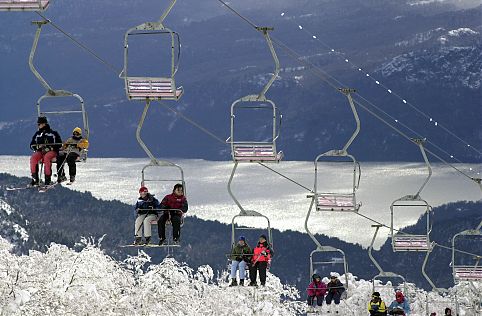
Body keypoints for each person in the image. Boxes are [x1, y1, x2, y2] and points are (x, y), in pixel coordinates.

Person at [29, 116, 62, 186]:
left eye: (39, 124)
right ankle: (35, 179)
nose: (38, 125)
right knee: (33, 158)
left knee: (47, 158)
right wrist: (38, 147)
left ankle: (47, 180)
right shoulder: (37, 134)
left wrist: (50, 148)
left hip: (52, 151)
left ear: (44, 124)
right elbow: (32, 145)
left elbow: (59, 144)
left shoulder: (53, 133)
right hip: (41, 151)